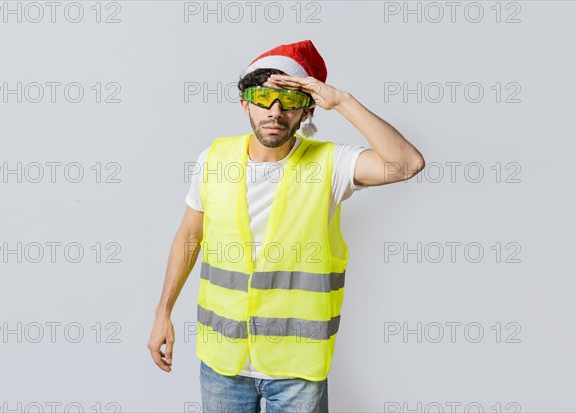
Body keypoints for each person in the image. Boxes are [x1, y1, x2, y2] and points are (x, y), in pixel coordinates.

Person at [148, 39, 425, 412]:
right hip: (223, 362)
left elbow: (406, 163)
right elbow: (189, 236)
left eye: (290, 101)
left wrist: (341, 100)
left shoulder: (331, 164)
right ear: (245, 102)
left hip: (297, 370)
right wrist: (162, 312)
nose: (275, 112)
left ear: (306, 111)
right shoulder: (214, 158)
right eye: (263, 98)